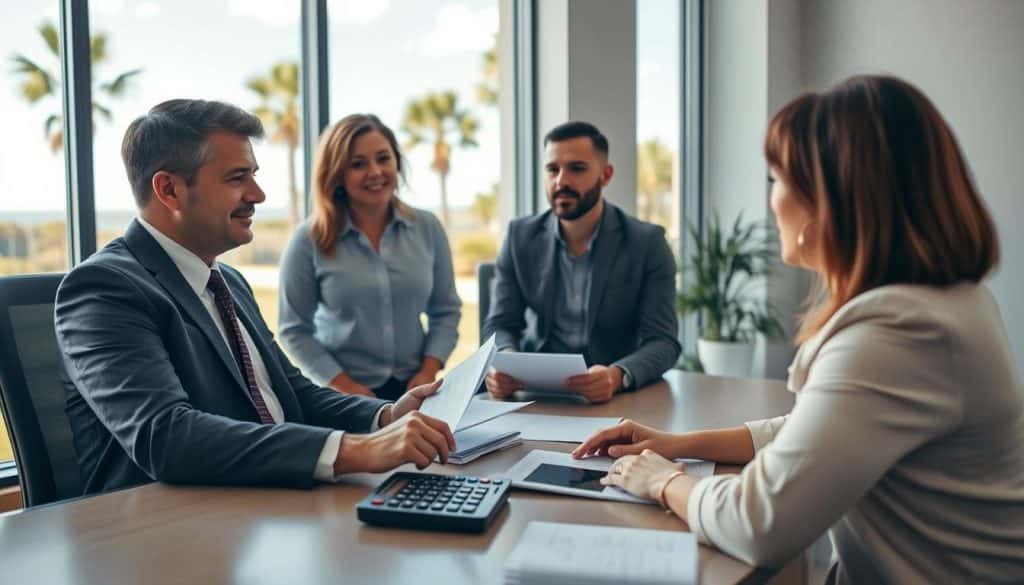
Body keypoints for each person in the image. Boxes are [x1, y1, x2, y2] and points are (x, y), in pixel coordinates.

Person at [573, 76, 1024, 582]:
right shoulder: (946, 304)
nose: (773, 200)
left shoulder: (897, 333)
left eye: (777, 180)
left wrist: (664, 481)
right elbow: (815, 428)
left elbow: (757, 523)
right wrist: (677, 443)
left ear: (830, 197)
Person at [56, 100, 455, 496]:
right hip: (174, 529)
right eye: (236, 178)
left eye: (254, 176)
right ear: (169, 190)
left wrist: (386, 415)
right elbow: (166, 436)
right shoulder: (103, 288)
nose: (259, 194)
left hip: (263, 500)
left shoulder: (226, 280)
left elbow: (293, 393)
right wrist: (354, 450)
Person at [482, 121, 680, 403]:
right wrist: (504, 362)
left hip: (615, 398)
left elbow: (664, 342)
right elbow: (499, 324)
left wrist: (616, 375)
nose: (561, 181)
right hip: (535, 395)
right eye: (553, 169)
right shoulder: (519, 237)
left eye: (576, 168)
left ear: (606, 174)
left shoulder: (647, 243)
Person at [278, 114, 461, 401]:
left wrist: (428, 371)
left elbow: (446, 310)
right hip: (342, 396)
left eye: (383, 158)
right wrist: (345, 388)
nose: (375, 171)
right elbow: (294, 330)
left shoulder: (428, 227)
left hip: (418, 391)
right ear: (336, 173)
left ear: (396, 162)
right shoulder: (308, 239)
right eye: (358, 164)